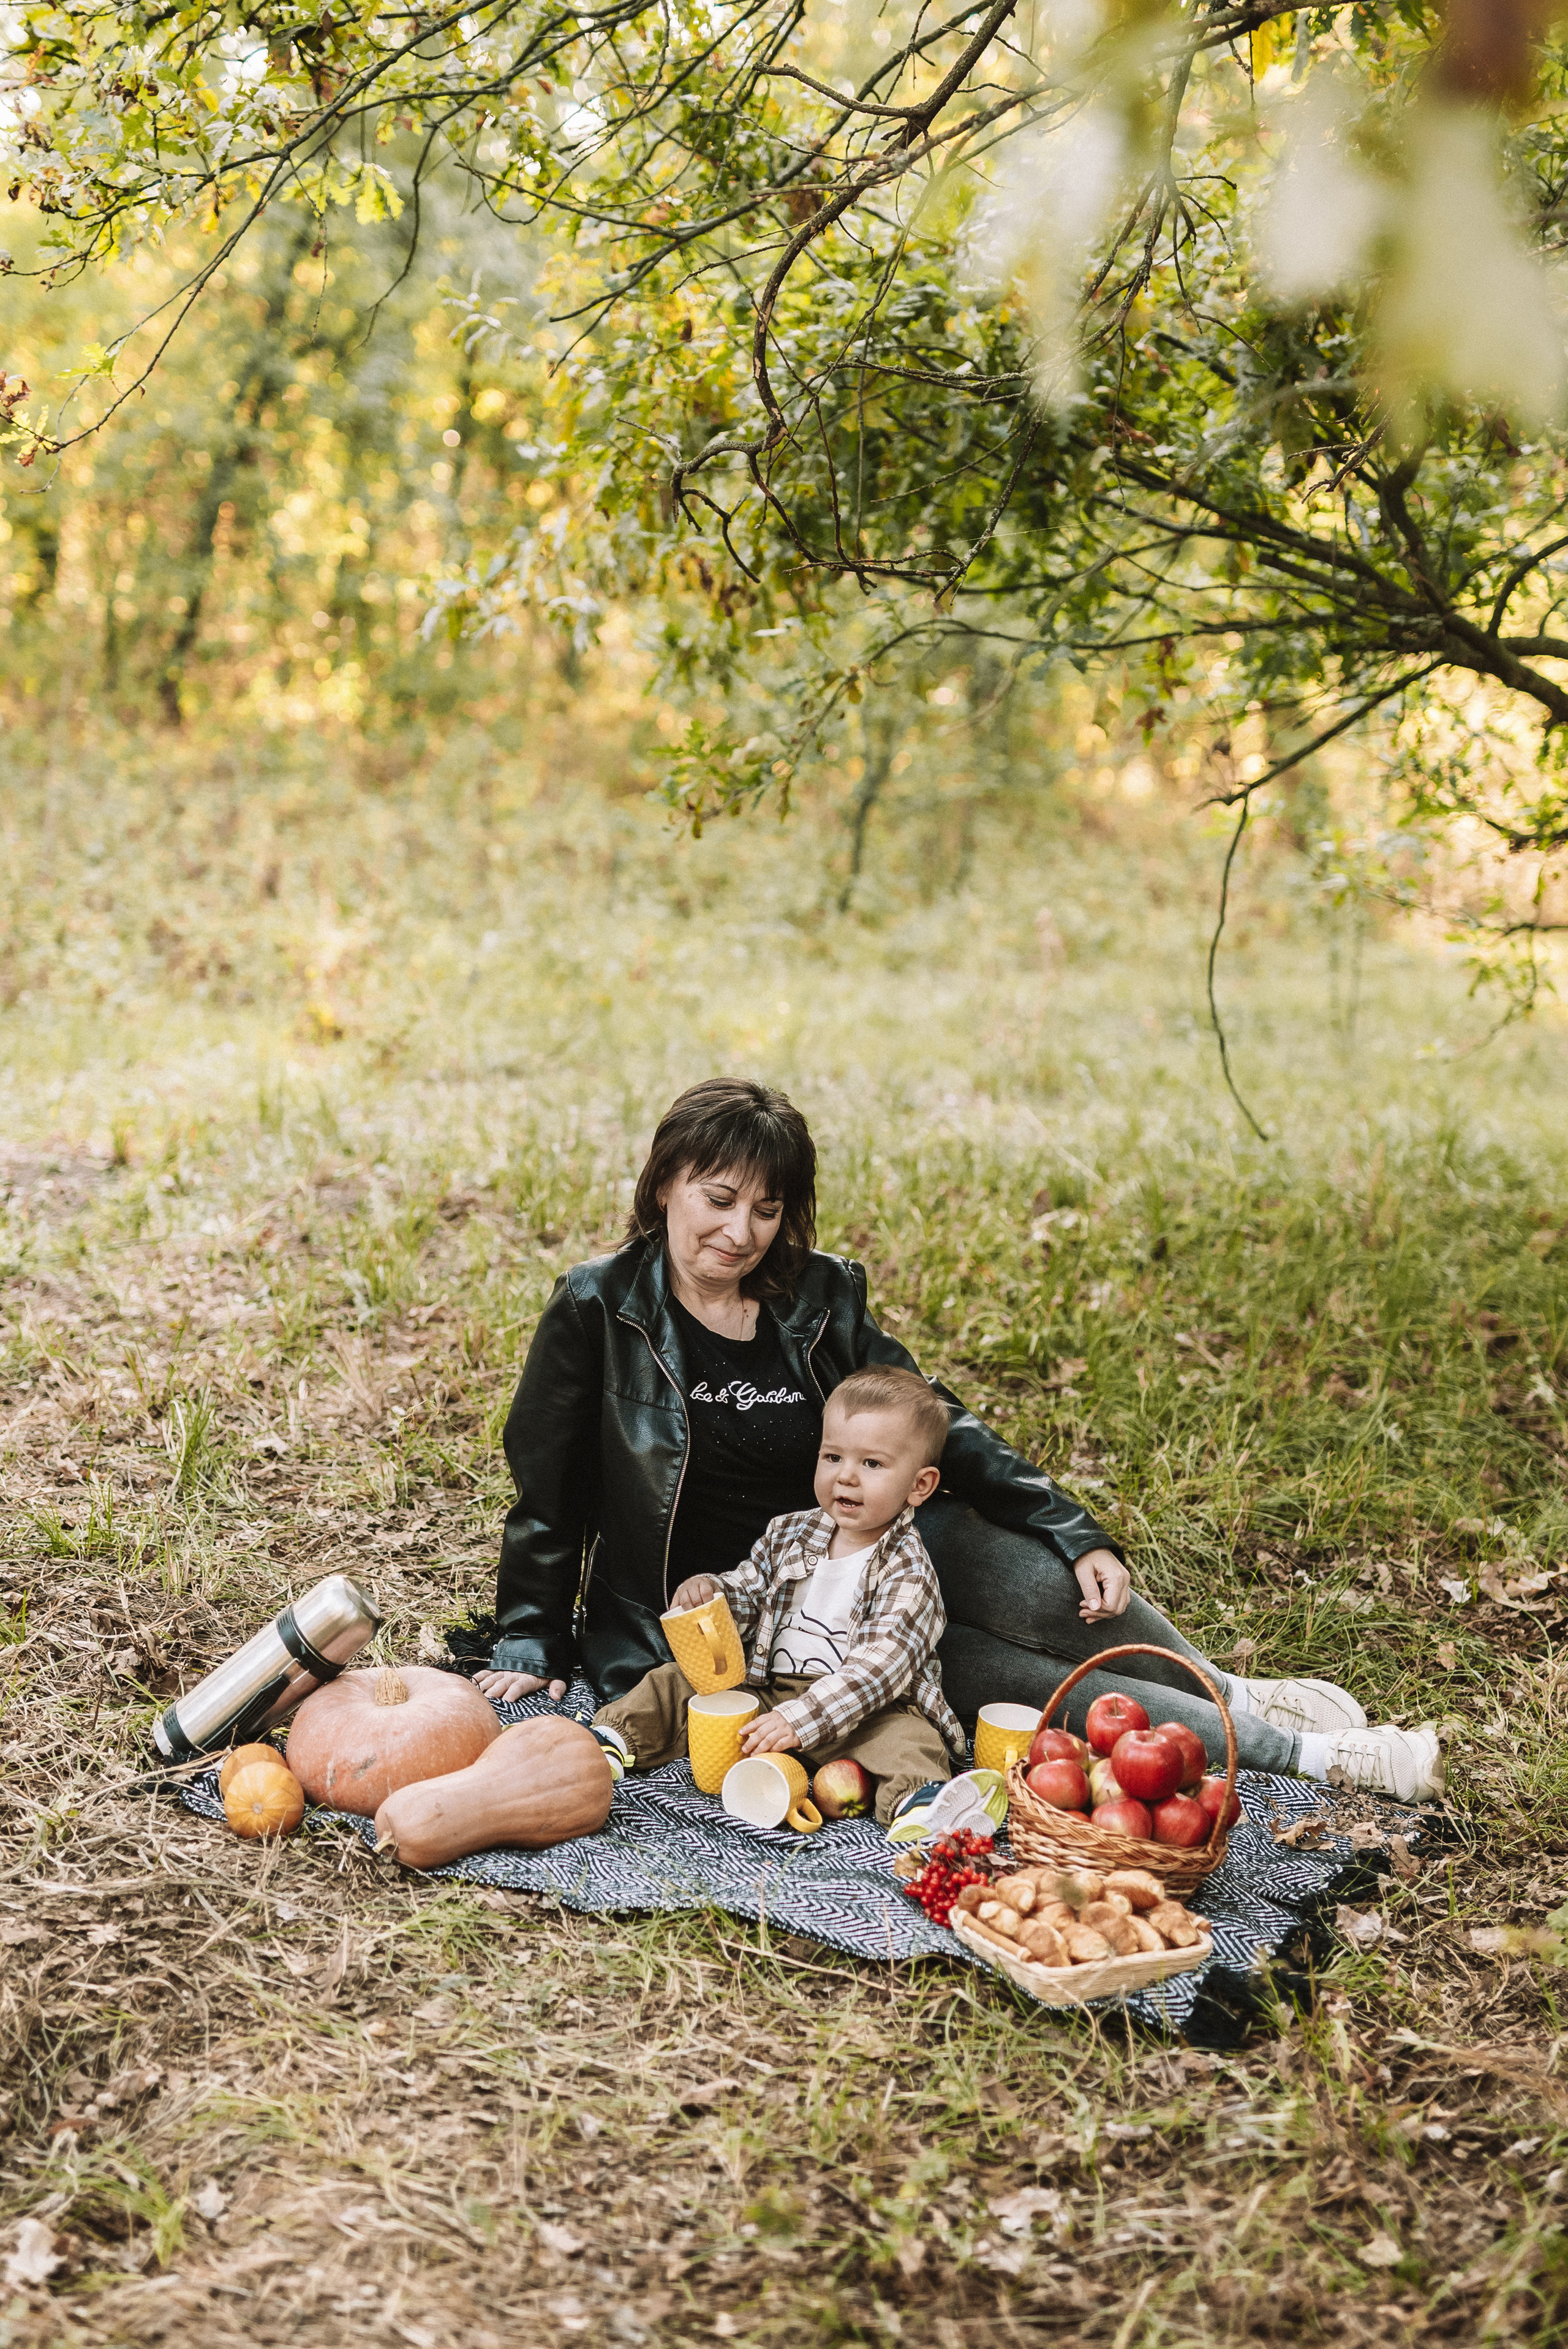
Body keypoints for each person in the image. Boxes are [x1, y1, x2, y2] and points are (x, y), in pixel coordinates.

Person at [475, 1077, 1441, 1802]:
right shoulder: (599, 1305)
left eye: (767, 1209)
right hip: (745, 1615)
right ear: (666, 1185)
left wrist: (1075, 1529)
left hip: (876, 1537)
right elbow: (549, 1485)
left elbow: (936, 1416)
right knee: (1021, 1682)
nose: (741, 1231)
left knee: (1047, 1584)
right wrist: (529, 1627)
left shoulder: (816, 1296)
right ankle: (1302, 1751)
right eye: (718, 1198)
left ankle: (1230, 1689)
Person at [592, 1366, 995, 1835]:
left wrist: (801, 1721)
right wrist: (714, 1593)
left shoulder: (908, 1570)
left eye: (872, 1465)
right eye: (832, 1456)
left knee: (910, 1741)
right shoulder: (790, 1532)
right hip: (769, 1690)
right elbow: (750, 1590)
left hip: (864, 1712)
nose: (846, 1477)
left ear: (919, 1485)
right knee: (674, 1683)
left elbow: (879, 1668)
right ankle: (612, 1741)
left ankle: (920, 1805)